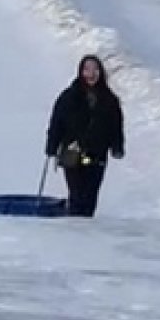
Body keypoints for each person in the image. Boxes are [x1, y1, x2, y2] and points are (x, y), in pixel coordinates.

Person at [46, 54, 125, 217]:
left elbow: (115, 126)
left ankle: (85, 229)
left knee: (90, 194)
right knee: (77, 193)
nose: (91, 74)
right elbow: (56, 123)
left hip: (96, 153)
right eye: (87, 69)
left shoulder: (109, 100)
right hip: (72, 151)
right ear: (80, 72)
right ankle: (75, 228)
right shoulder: (68, 97)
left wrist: (117, 146)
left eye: (95, 69)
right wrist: (52, 146)